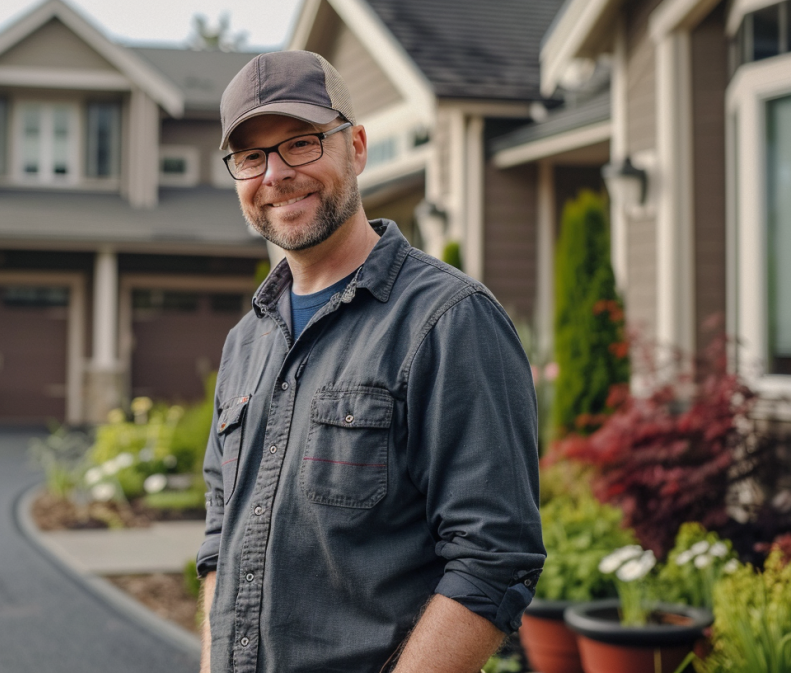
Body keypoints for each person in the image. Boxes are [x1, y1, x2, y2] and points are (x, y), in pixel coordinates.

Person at [196, 50, 546, 673]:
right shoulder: (245, 342)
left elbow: (494, 556)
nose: (274, 174)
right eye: (251, 156)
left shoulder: (449, 321)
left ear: (355, 147)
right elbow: (221, 542)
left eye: (301, 143)